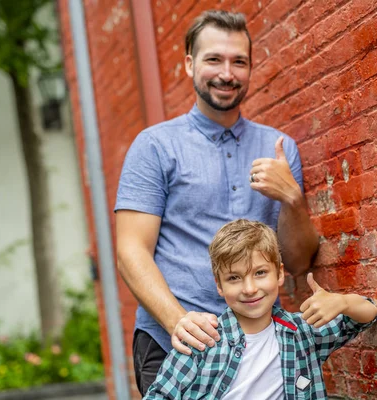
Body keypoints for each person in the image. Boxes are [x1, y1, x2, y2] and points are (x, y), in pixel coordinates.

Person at [114, 9, 319, 394]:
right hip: (174, 341)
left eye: (238, 61)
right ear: (190, 64)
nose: (227, 73)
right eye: (214, 59)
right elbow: (130, 250)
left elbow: (295, 262)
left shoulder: (278, 149)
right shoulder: (156, 146)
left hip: (261, 345)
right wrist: (178, 321)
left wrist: (291, 198)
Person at [142, 219, 377, 399]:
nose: (250, 288)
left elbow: (368, 313)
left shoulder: (303, 333)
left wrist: (343, 302)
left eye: (260, 273)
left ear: (279, 274)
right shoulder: (202, 340)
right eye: (234, 278)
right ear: (219, 286)